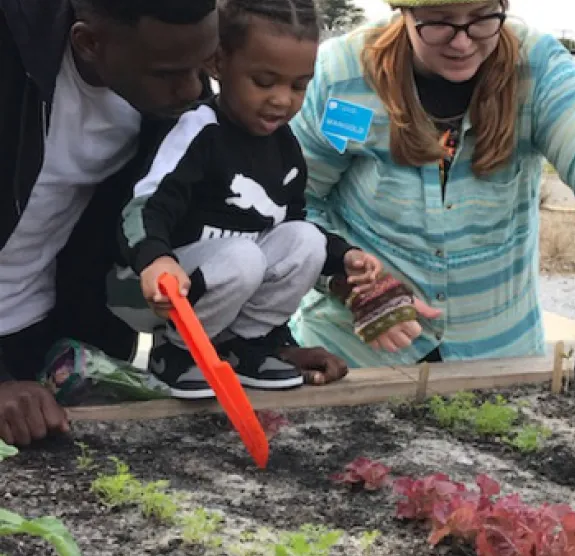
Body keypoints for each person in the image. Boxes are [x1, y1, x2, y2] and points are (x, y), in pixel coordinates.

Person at [288, 0, 575, 368]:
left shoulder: (535, 67)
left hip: (496, 359)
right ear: (404, 12)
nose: (463, 41)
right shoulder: (344, 76)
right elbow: (294, 200)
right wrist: (348, 281)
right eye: (439, 23)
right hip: (355, 356)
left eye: (483, 17)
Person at [0, 0, 344, 448]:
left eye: (202, 67)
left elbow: (225, 230)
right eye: (168, 73)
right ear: (89, 43)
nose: (192, 90)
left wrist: (269, 345)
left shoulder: (175, 103)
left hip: (51, 333)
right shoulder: (15, 62)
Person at [107, 0, 386, 399]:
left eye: (298, 85)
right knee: (243, 256)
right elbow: (144, 205)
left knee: (306, 239)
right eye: (264, 81)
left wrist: (344, 258)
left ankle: (247, 345)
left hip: (230, 282)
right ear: (218, 63)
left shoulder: (285, 146)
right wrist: (155, 258)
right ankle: (176, 354)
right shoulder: (197, 129)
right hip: (156, 285)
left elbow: (291, 225)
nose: (282, 100)